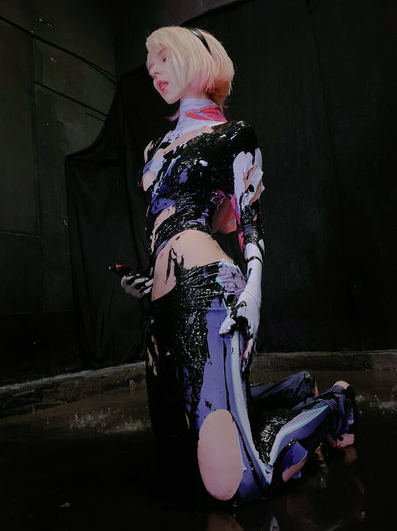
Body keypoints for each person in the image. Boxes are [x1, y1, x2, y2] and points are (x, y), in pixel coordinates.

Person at [119, 26, 357, 503]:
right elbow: (163, 226)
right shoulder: (152, 151)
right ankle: (292, 390)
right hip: (162, 310)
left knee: (235, 484)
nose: (153, 70)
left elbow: (248, 222)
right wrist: (148, 282)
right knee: (176, 459)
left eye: (163, 57)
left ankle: (337, 405)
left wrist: (253, 292)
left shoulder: (231, 135)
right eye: (149, 64)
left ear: (193, 57)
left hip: (210, 293)